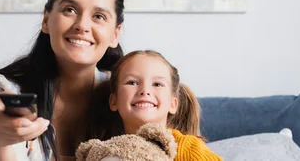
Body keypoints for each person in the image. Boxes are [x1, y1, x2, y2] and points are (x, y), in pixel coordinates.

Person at [0, 0, 126, 160]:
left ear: (115, 35)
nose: (82, 25)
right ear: (46, 19)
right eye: (70, 10)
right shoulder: (10, 91)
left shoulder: (127, 94)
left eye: (99, 16)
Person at [84, 50, 223, 161]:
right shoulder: (107, 149)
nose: (145, 90)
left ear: (173, 104)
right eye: (132, 82)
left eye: (157, 84)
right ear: (113, 101)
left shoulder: (186, 147)